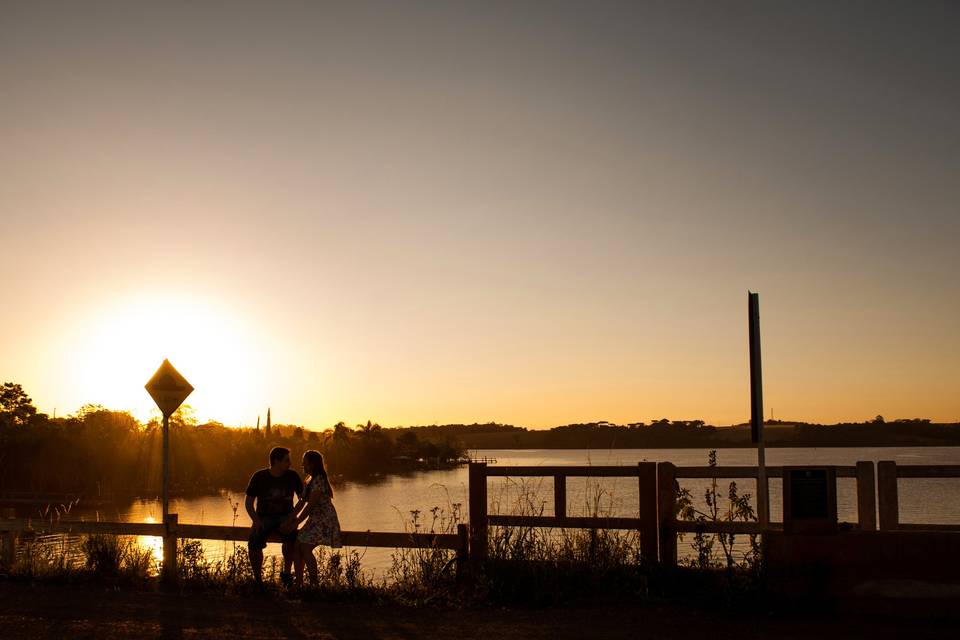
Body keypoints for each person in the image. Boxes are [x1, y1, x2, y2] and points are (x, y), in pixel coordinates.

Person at [245, 446, 304, 588]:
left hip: (286, 516)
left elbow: (303, 500)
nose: (289, 463)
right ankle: (258, 579)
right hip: (264, 517)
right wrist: (256, 520)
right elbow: (248, 503)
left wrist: (292, 517)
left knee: (292, 540)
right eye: (286, 460)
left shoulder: (292, 476)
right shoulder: (259, 477)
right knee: (254, 542)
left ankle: (286, 574)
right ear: (276, 461)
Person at [292, 449, 342, 589]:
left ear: (313, 464)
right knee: (297, 546)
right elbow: (302, 503)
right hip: (315, 519)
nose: (303, 466)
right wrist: (290, 518)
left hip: (323, 519)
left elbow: (310, 505)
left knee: (305, 547)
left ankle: (314, 585)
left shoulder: (319, 479)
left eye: (305, 463)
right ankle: (299, 583)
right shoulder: (310, 480)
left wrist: (296, 522)